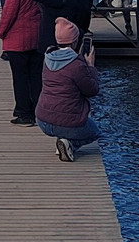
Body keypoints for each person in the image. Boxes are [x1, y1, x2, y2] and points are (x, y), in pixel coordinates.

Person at [36, 17, 100, 162]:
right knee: (95, 133)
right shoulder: (76, 65)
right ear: (75, 42)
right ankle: (69, 144)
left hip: (42, 120)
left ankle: (63, 140)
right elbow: (92, 90)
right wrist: (90, 66)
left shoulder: (48, 58)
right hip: (68, 122)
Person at [0, 0, 43, 126]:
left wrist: (1, 32)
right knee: (36, 76)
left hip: (17, 40)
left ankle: (24, 113)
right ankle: (38, 110)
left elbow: (9, 12)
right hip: (37, 36)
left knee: (20, 78)